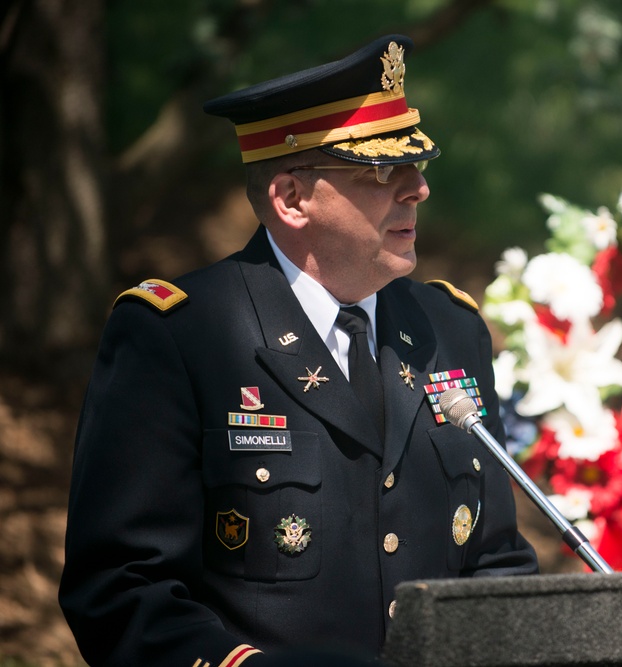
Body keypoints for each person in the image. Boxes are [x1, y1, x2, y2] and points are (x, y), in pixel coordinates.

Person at [59, 34, 538, 667]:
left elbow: (496, 562)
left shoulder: (450, 330)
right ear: (291, 198)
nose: (417, 189)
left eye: (418, 165)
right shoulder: (178, 336)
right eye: (382, 170)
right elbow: (121, 589)